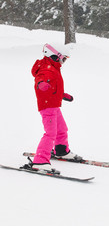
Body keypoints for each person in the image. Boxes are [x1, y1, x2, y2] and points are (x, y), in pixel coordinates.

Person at [24, 43, 78, 172]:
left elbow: (53, 85)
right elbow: (40, 79)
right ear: (54, 56)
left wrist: (62, 94)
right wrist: (41, 84)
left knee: (62, 128)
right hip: (47, 106)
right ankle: (40, 161)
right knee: (50, 133)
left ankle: (61, 150)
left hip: (53, 104)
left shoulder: (52, 67)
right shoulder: (47, 69)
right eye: (63, 58)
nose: (63, 62)